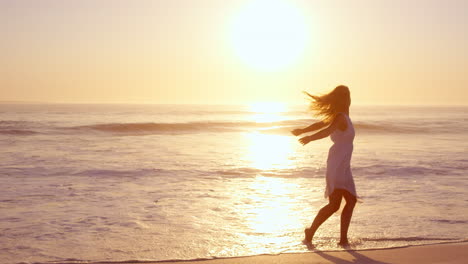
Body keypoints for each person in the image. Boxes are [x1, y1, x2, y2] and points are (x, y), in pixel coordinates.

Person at [291, 85, 357, 247]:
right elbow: (327, 130)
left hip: (343, 164)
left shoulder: (342, 116)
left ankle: (342, 239)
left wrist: (303, 130)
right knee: (335, 204)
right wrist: (308, 138)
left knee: (350, 200)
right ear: (344, 99)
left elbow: (320, 124)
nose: (350, 98)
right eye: (347, 95)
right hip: (337, 164)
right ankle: (312, 232)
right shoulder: (341, 117)